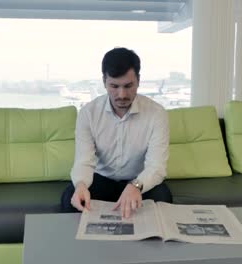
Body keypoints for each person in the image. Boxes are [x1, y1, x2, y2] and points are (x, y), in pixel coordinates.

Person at [61, 47, 172, 218]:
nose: (122, 94)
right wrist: (81, 185)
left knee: (163, 200)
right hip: (101, 179)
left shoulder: (157, 114)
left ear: (138, 81)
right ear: (104, 81)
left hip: (139, 181)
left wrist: (136, 185)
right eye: (114, 86)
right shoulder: (88, 113)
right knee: (71, 198)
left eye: (128, 86)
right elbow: (84, 161)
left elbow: (156, 166)